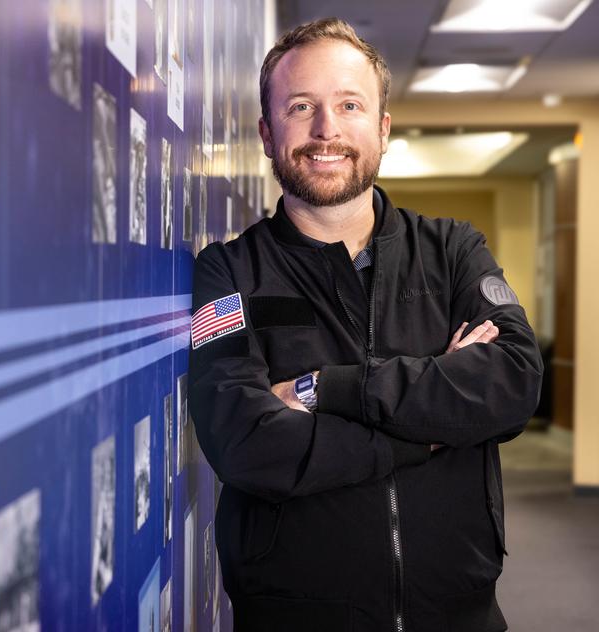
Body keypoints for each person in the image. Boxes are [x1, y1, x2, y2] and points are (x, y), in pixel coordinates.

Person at [187, 18, 543, 632]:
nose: (326, 130)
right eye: (301, 107)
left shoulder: (454, 250)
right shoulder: (228, 272)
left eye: (349, 105)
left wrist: (325, 389)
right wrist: (424, 434)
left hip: (459, 613)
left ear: (382, 128)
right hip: (294, 618)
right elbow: (244, 441)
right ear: (268, 133)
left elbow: (512, 381)